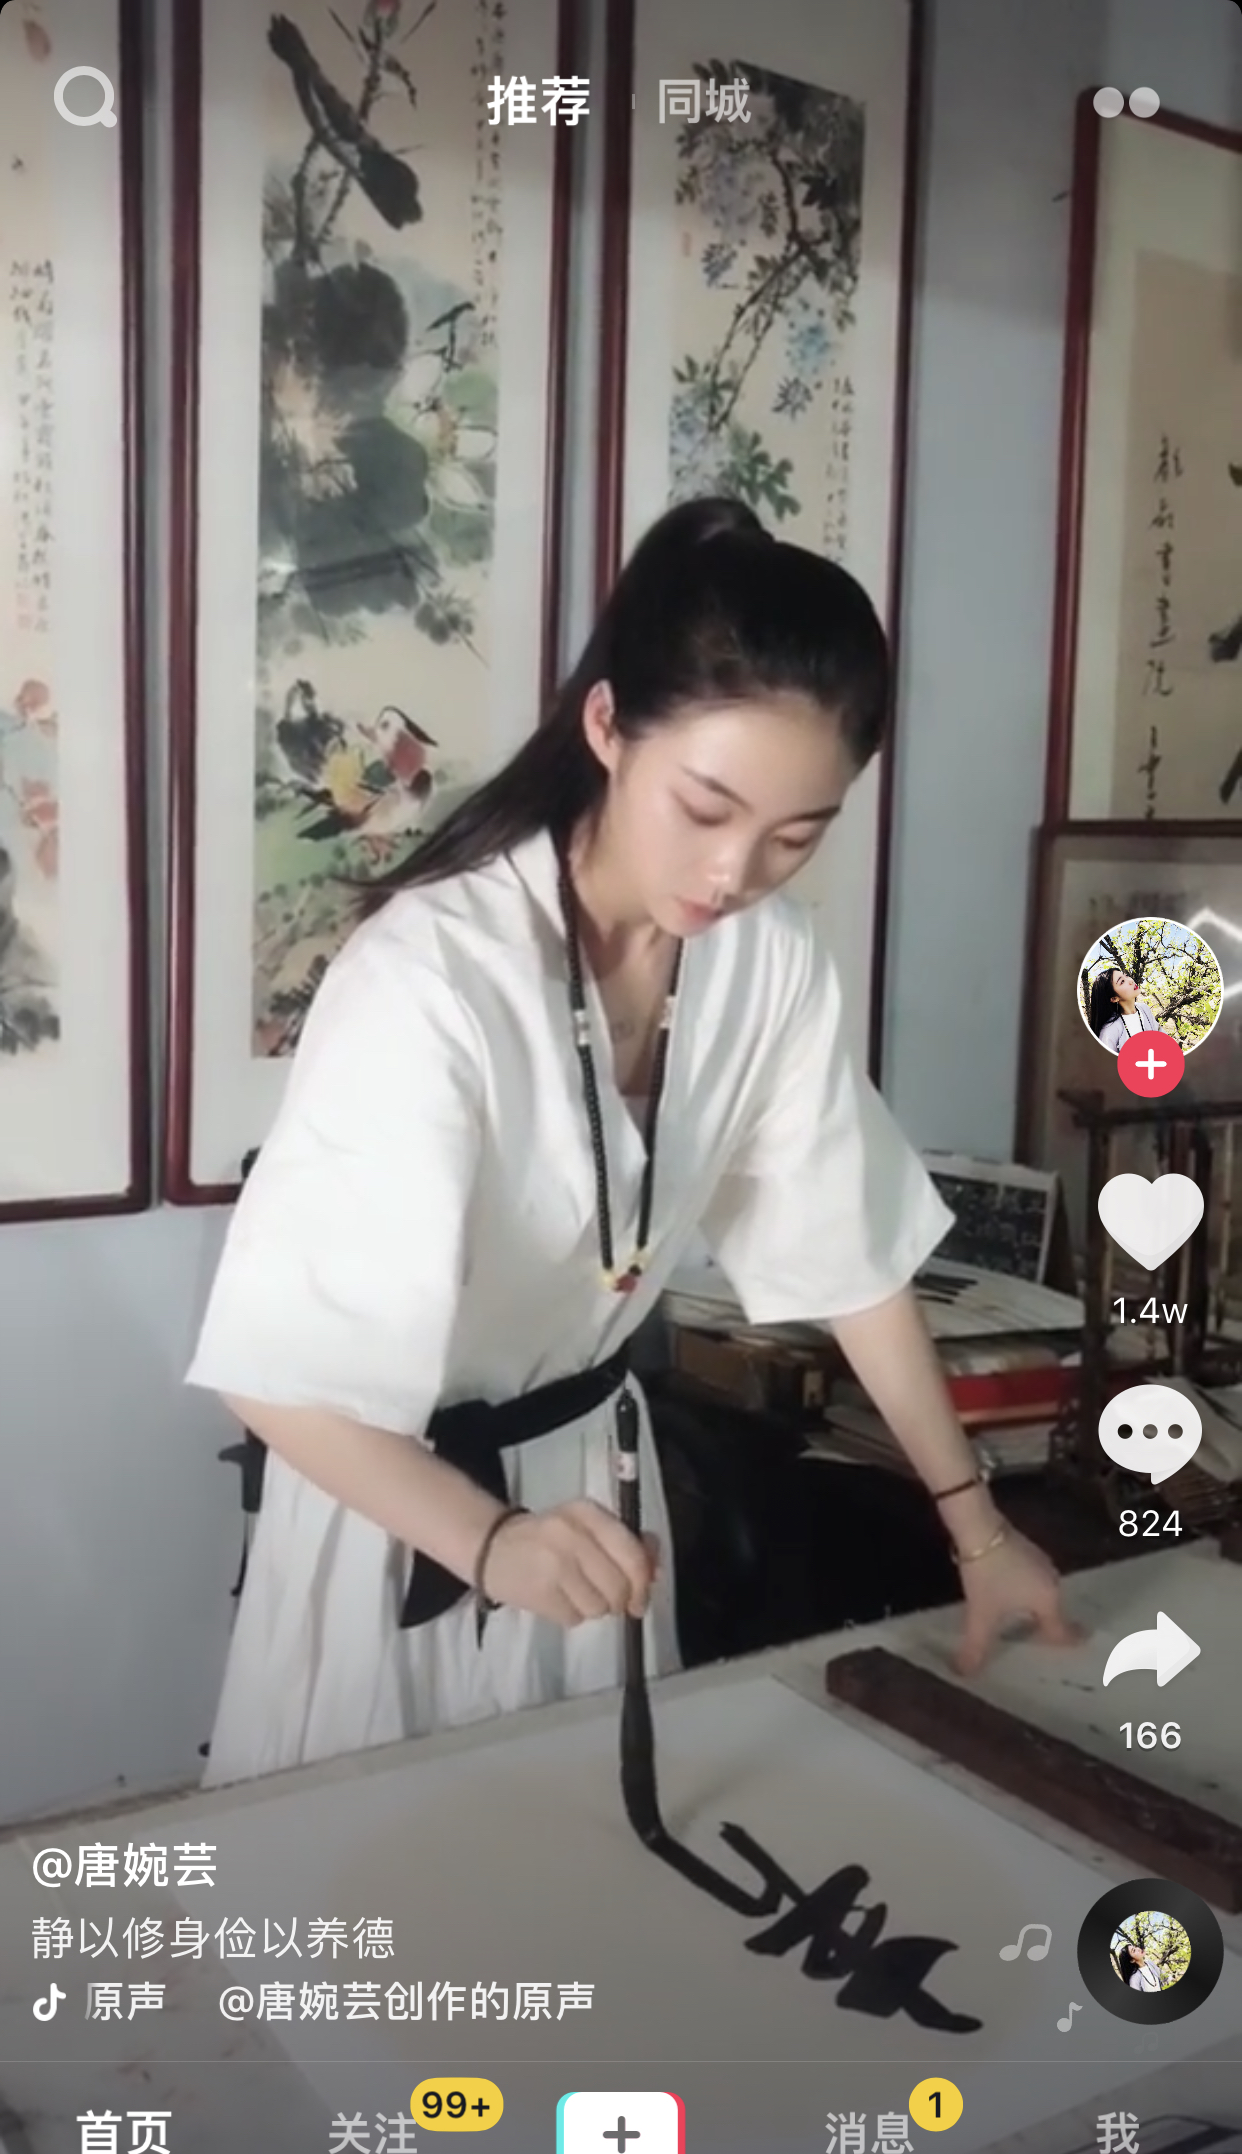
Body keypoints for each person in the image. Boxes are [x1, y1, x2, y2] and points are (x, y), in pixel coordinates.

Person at [187, 495, 1079, 1788]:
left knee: (594, 1860)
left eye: (794, 836)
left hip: (598, 1485)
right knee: (368, 1876)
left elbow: (852, 1257)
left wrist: (978, 1532)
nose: (732, 874)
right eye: (704, 807)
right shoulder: (432, 977)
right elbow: (273, 1379)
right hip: (402, 1508)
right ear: (606, 726)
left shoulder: (768, 961)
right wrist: (489, 1542)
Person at [1087, 965, 1161, 1054]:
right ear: (1114, 998)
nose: (1130, 981)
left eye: (1126, 976)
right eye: (1122, 981)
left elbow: (1160, 1035)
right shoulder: (1110, 1030)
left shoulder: (1143, 1009)